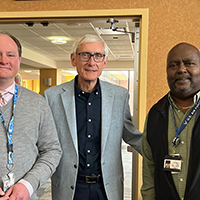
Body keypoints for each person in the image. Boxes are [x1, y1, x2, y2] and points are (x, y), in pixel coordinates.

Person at [44, 34, 142, 200]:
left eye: (98, 56)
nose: (91, 62)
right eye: (85, 55)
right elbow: (44, 141)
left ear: (104, 62)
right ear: (73, 59)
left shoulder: (119, 95)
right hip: (69, 187)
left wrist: (163, 154)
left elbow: (130, 134)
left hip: (106, 187)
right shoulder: (53, 96)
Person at [0, 32, 62, 200]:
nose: (4, 60)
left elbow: (52, 150)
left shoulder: (38, 103)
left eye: (10, 55)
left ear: (19, 61)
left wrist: (28, 185)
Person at [141, 42, 200, 200]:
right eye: (173, 65)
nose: (181, 69)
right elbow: (149, 168)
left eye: (189, 63)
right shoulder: (155, 114)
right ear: (167, 72)